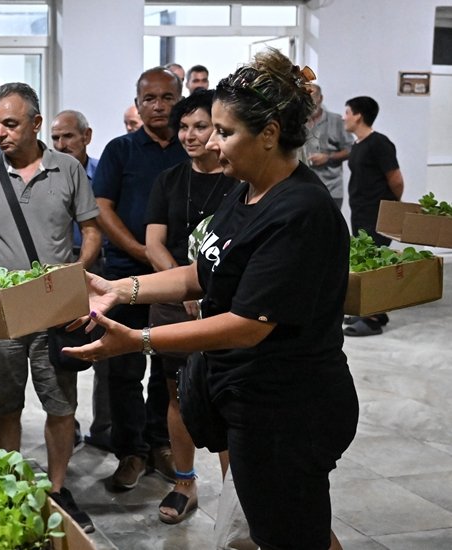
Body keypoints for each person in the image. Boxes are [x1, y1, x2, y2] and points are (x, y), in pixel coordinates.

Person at [65, 50, 356, 550]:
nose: (212, 144)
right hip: (248, 399)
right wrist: (121, 288)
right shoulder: (244, 190)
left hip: (289, 406)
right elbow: (202, 274)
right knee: (278, 522)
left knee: (294, 530)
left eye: (224, 132)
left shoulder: (301, 211)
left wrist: (138, 339)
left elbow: (247, 324)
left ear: (268, 134)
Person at [0, 82, 100, 533]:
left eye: (10, 124)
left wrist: (75, 275)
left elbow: (91, 231)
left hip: (53, 310)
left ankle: (58, 490)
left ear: (37, 124)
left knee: (61, 407)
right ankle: (8, 485)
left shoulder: (69, 170)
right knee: (5, 407)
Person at [92, 67, 188, 491]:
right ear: (138, 102)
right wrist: (138, 250)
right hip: (123, 272)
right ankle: (130, 451)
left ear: (180, 98)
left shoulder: (193, 150)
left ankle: (160, 444)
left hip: (179, 277)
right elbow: (102, 208)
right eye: (150, 98)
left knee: (169, 366)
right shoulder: (121, 150)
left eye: (168, 97)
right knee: (124, 366)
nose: (159, 106)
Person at [144, 89, 237, 524]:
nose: (189, 134)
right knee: (177, 393)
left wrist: (205, 292)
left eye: (201, 126)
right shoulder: (169, 180)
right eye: (183, 127)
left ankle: (235, 495)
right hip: (172, 300)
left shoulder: (241, 180)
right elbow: (154, 243)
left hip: (227, 302)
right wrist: (182, 290)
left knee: (226, 395)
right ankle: (184, 482)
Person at [50, 110, 111, 451]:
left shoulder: (103, 173)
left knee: (105, 350)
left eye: (68, 137)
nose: (62, 144)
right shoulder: (50, 176)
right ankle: (67, 424)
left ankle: (103, 427)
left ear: (86, 136)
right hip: (61, 270)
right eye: (56, 138)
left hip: (100, 267)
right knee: (65, 350)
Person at [342, 95, 404, 338]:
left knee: (373, 265)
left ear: (358, 115)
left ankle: (373, 320)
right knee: (366, 260)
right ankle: (373, 310)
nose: (344, 117)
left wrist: (391, 209)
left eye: (347, 112)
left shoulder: (380, 143)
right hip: (362, 212)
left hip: (378, 214)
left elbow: (396, 180)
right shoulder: (359, 144)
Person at [304, 84, 352, 208]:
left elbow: (351, 149)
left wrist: (328, 157)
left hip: (330, 188)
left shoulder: (336, 121)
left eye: (312, 95)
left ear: (320, 98)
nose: (309, 100)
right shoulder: (296, 121)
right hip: (302, 188)